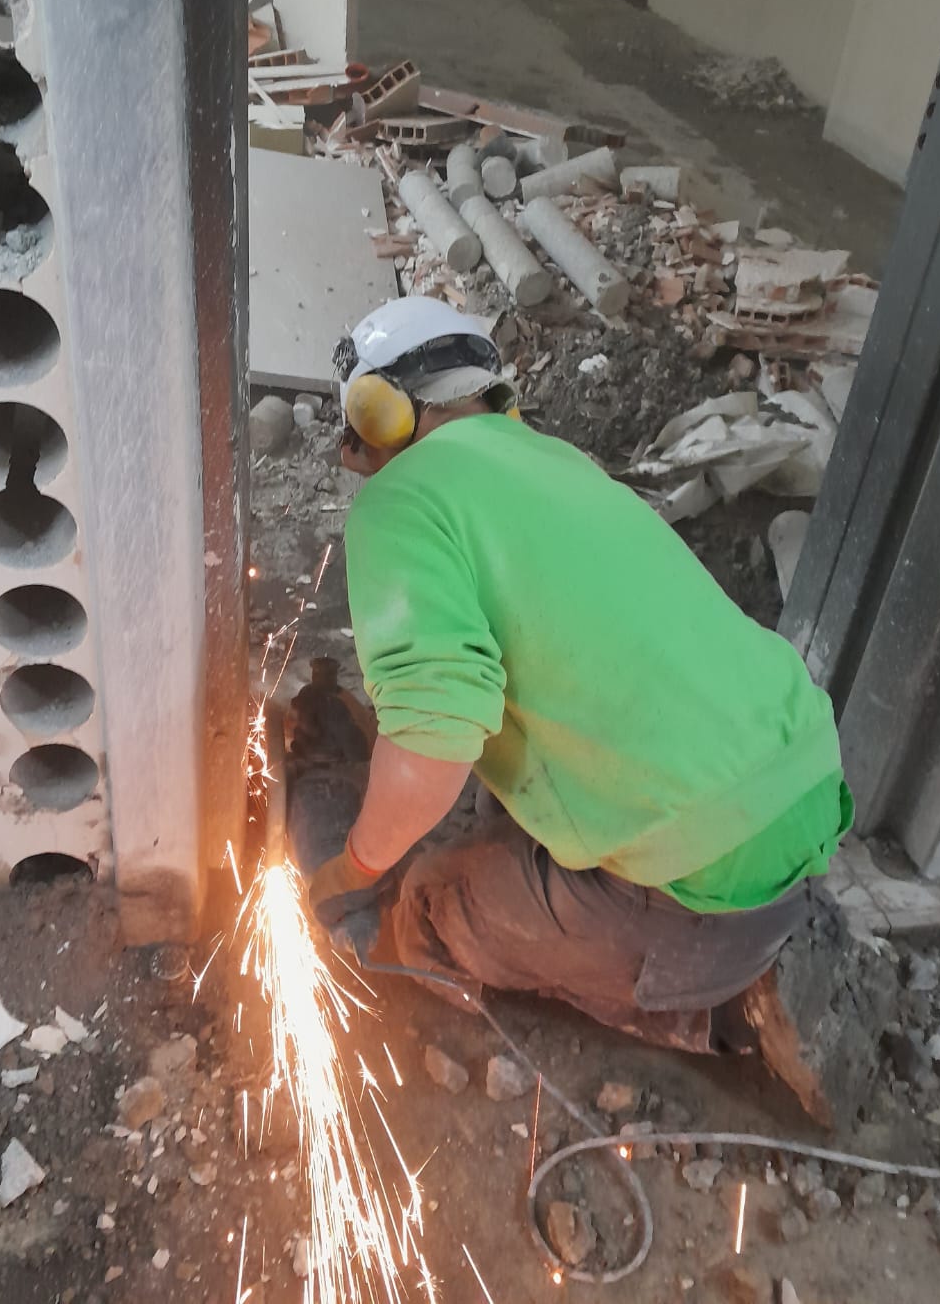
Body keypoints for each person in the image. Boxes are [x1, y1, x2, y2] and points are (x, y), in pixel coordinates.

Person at [308, 296, 852, 1100]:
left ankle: (725, 1007)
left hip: (702, 874)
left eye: (358, 428)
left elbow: (435, 737)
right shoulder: (558, 462)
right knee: (501, 817)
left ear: (380, 412)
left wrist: (353, 869)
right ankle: (739, 939)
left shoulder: (402, 501)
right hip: (800, 786)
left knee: (422, 906)